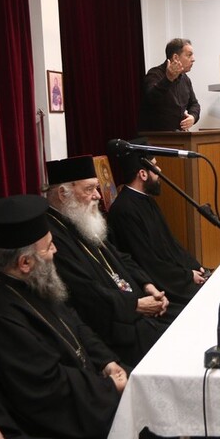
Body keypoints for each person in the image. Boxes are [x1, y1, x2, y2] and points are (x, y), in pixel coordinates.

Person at [0, 195, 124, 439]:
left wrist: (106, 360)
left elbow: (73, 321)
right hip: (43, 422)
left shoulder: (25, 279)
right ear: (25, 263)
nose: (55, 250)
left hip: (86, 388)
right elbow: (47, 389)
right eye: (48, 247)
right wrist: (107, 388)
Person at [44, 156, 172, 366]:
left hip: (134, 313)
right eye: (89, 189)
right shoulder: (52, 237)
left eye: (96, 188)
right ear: (63, 194)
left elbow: (120, 257)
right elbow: (83, 292)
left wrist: (147, 285)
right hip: (111, 332)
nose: (97, 195)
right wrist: (135, 305)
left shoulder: (81, 219)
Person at [108, 146, 207, 309]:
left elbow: (169, 242)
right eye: (154, 166)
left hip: (174, 275)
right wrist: (187, 276)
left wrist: (194, 266)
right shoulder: (124, 210)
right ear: (143, 174)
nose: (159, 170)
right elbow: (147, 261)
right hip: (161, 285)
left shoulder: (146, 200)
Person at [138, 38, 200, 132]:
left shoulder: (185, 79)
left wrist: (193, 117)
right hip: (156, 137)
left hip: (179, 136)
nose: (193, 59)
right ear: (175, 57)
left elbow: (194, 104)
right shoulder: (154, 74)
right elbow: (151, 98)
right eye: (189, 55)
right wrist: (168, 79)